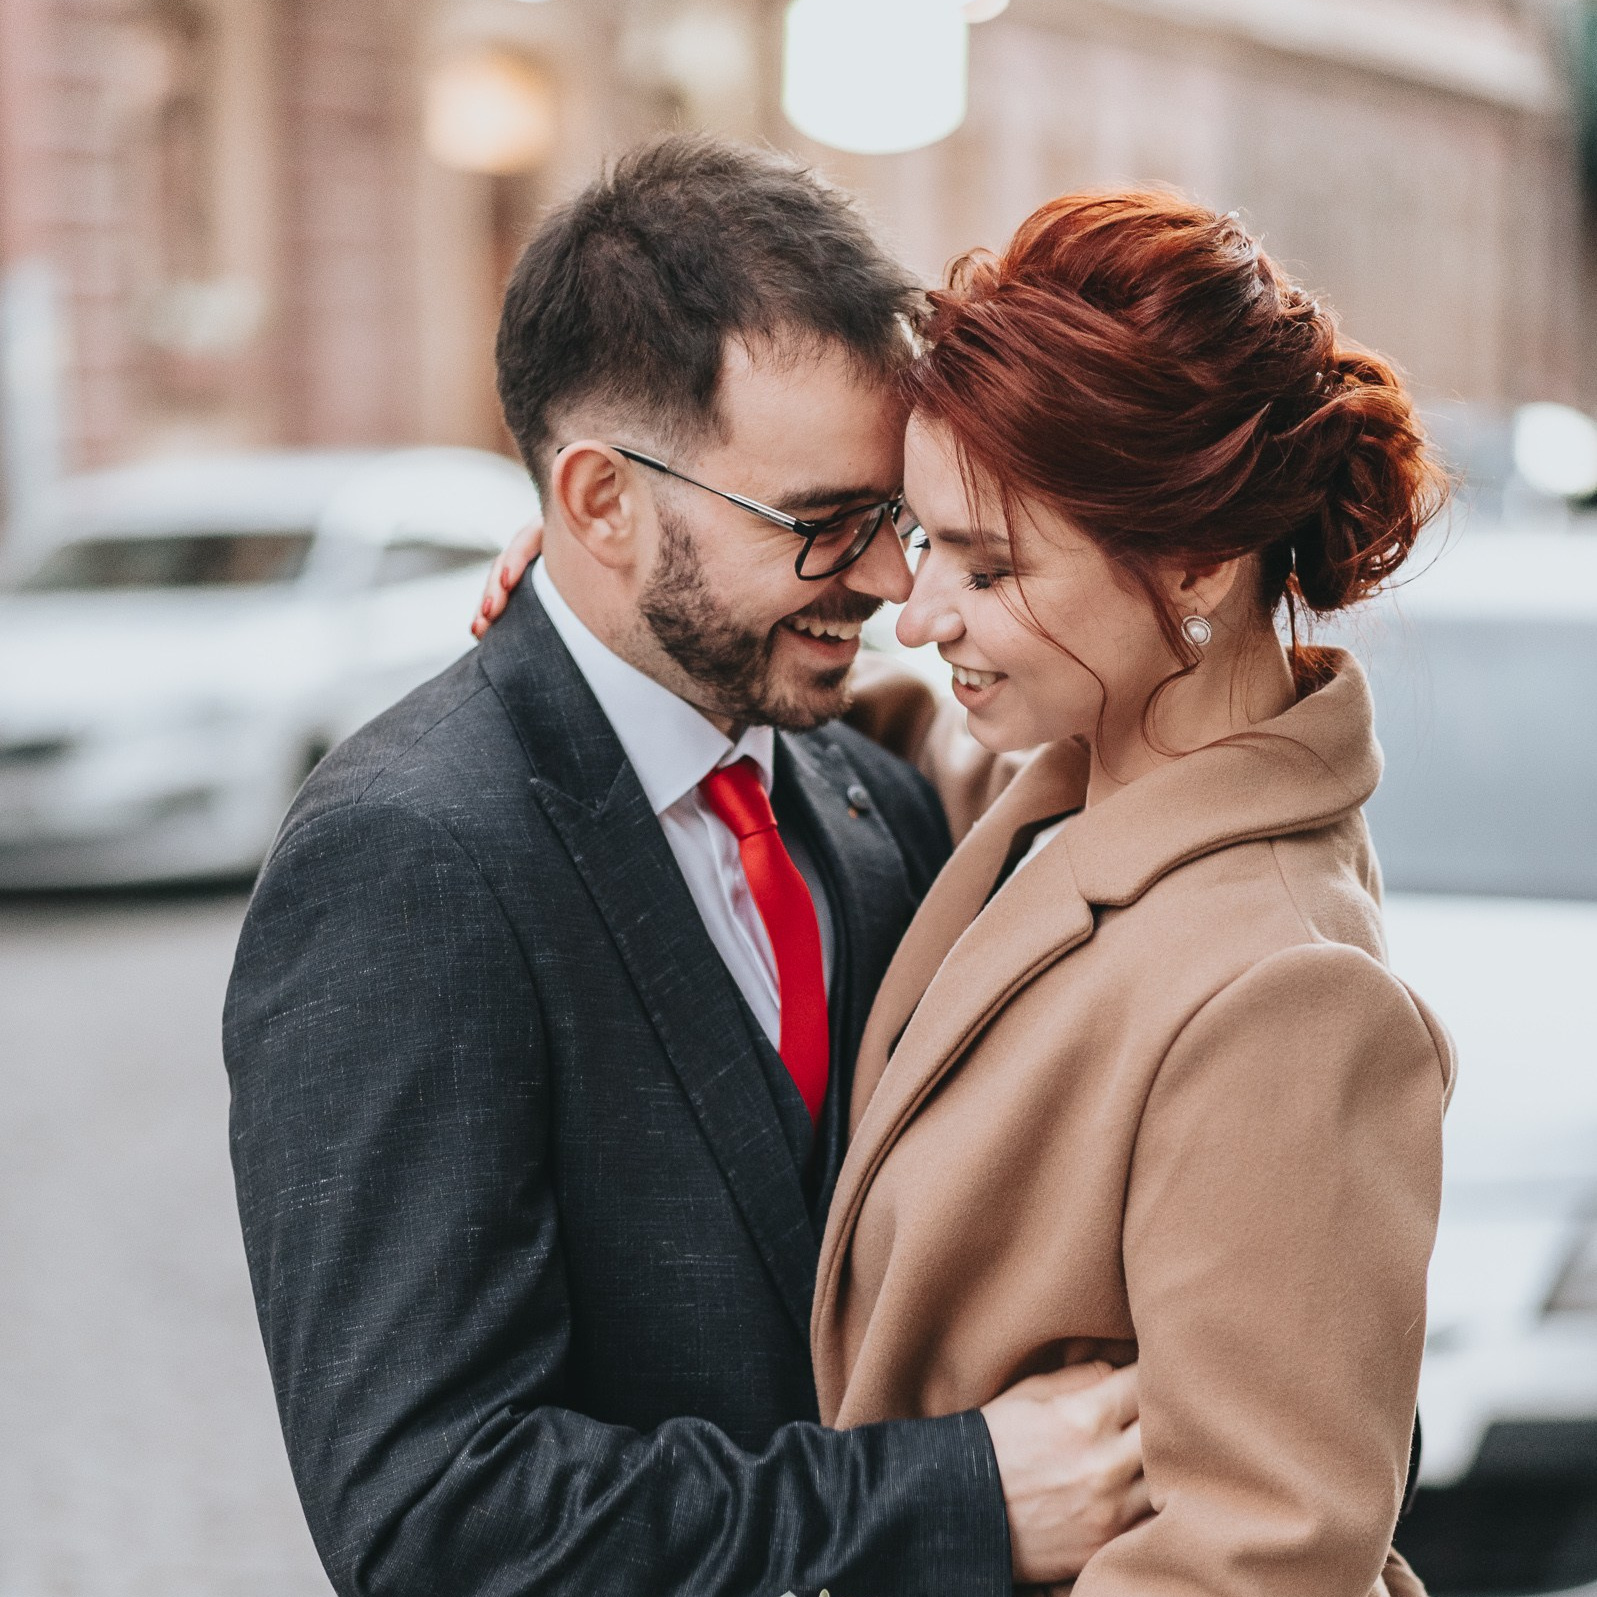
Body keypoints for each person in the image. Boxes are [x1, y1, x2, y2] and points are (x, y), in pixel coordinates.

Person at [224, 136, 1146, 1597]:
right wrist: (959, 1492)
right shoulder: (405, 862)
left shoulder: (869, 804)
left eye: (894, 516)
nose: (894, 583)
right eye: (825, 523)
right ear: (598, 504)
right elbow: (434, 1521)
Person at [802, 192, 1454, 1593]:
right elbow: (924, 749)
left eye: (989, 566)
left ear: (1198, 562)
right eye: (924, 549)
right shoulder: (1087, 777)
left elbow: (1252, 1561)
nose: (920, 617)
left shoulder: (1287, 994)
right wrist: (621, 628)